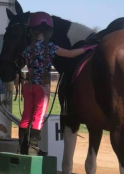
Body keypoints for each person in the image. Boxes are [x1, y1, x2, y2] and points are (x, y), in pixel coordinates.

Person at [19, 12, 95, 155]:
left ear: (31, 31)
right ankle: (33, 147)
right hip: (42, 87)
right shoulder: (51, 47)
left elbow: (29, 66)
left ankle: (23, 146)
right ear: (49, 32)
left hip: (28, 86)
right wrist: (87, 48)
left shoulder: (28, 49)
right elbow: (71, 54)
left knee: (26, 115)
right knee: (38, 116)